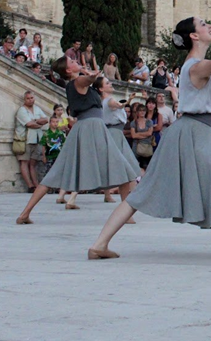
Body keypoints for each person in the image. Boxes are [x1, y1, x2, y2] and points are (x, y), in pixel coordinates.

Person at [89, 17, 211, 259]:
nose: (209, 25)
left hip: (195, 132)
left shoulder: (197, 64)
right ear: (194, 36)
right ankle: (100, 244)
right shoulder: (195, 66)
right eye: (203, 24)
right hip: (191, 132)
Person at [16, 55, 141, 225]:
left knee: (124, 172)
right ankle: (126, 215)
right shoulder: (77, 82)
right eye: (73, 62)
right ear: (68, 70)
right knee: (125, 171)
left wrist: (88, 73)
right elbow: (89, 79)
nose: (76, 62)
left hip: (88, 127)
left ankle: (25, 213)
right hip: (92, 127)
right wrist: (91, 73)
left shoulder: (74, 85)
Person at [13, 91, 49, 193]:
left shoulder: (37, 109)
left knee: (33, 163)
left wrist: (36, 121)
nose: (30, 100)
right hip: (25, 139)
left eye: (32, 98)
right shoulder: (22, 110)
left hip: (36, 138)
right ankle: (30, 185)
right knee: (24, 161)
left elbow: (46, 119)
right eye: (28, 98)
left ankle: (36, 184)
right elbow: (29, 124)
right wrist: (38, 122)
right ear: (25, 99)